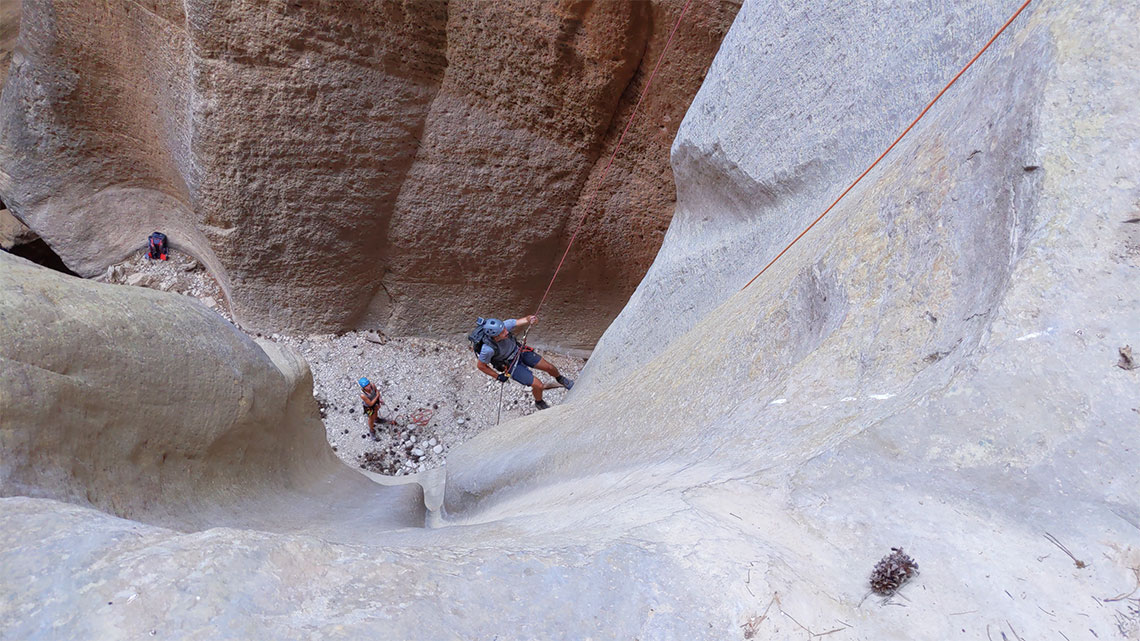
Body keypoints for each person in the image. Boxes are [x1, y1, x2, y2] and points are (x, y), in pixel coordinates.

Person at [470, 315, 573, 410]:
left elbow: (524, 320)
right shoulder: (487, 350)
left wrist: (531, 319)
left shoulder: (504, 326)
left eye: (504, 329)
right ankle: (539, 402)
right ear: (495, 337)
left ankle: (560, 378)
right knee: (538, 385)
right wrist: (497, 376)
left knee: (549, 367)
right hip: (510, 364)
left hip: (520, 351)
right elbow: (481, 366)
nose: (506, 332)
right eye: (502, 332)